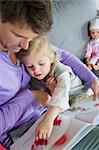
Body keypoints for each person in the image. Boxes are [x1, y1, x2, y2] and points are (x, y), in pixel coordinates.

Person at [0, 0, 98, 148]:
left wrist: (93, 80)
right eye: (19, 35)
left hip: (50, 115)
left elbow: (61, 55)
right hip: (23, 135)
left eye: (31, 38)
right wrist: (34, 96)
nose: (25, 46)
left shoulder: (20, 42)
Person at [17, 35, 84, 140]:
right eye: (30, 66)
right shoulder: (34, 79)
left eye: (41, 63)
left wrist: (47, 120)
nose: (36, 70)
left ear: (51, 58)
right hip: (65, 105)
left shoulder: (60, 70)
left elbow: (62, 91)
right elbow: (46, 99)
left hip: (81, 95)